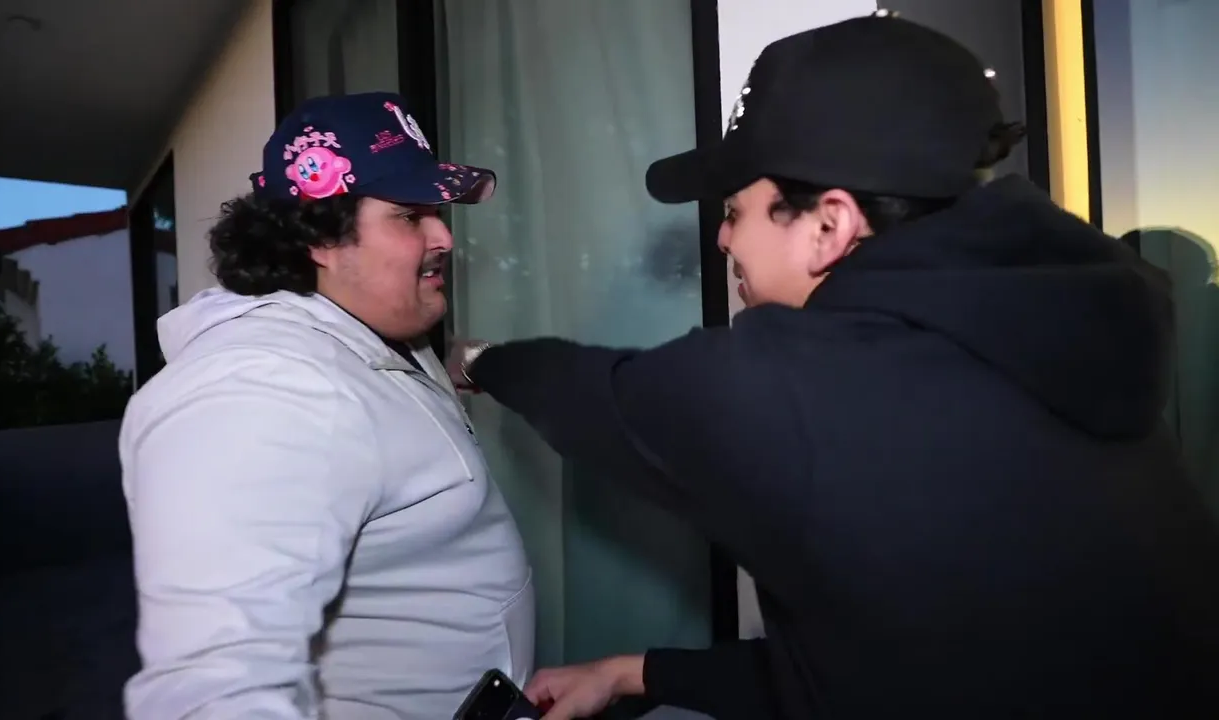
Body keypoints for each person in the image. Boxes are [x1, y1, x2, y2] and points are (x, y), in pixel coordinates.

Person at [447, 14, 1219, 720]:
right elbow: (888, 665)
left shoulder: (804, 386)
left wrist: (481, 360)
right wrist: (632, 674)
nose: (723, 240)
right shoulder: (1058, 352)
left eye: (734, 211)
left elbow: (592, 395)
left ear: (829, 226)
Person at [120, 92, 535, 720]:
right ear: (319, 235)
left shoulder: (366, 330)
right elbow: (213, 690)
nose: (444, 235)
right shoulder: (258, 393)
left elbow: (387, 390)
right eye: (409, 215)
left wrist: (480, 365)